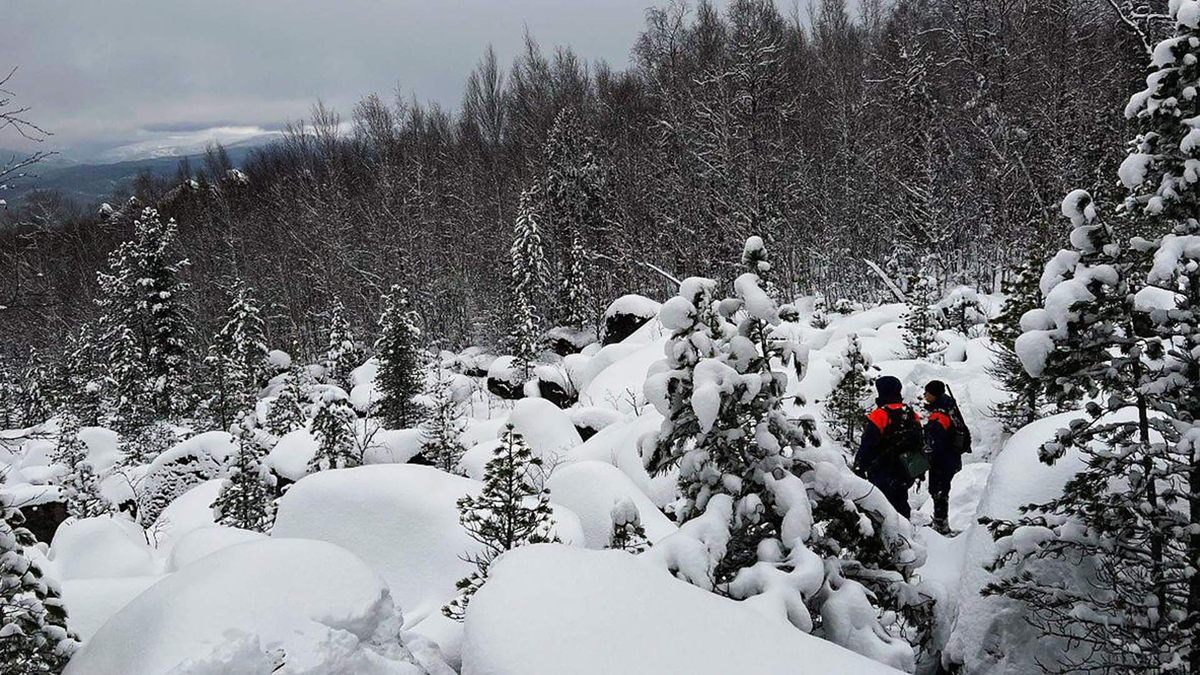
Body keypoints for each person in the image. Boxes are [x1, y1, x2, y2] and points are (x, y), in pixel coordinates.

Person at [854, 375, 924, 519]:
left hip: (883, 470)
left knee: (881, 508)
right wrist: (918, 469)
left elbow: (867, 445)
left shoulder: (879, 415)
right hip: (907, 468)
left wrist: (859, 467)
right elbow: (919, 442)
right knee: (901, 501)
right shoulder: (911, 414)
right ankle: (906, 535)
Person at [923, 380, 968, 535]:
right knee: (942, 491)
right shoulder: (950, 408)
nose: (924, 395)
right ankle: (940, 522)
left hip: (941, 460)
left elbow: (935, 441)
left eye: (927, 392)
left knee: (938, 491)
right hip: (951, 458)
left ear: (934, 394)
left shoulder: (939, 414)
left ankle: (941, 525)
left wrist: (927, 458)